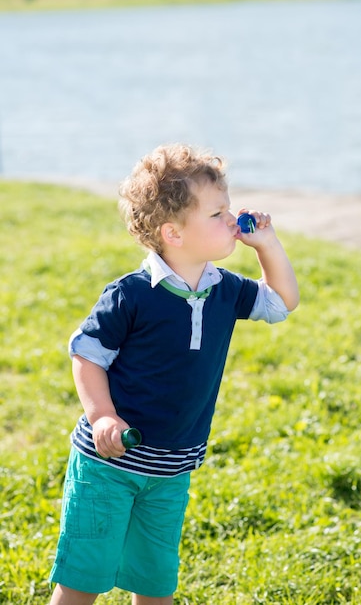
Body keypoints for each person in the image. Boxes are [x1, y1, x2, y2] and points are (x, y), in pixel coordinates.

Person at [49, 144, 299, 605]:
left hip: (170, 471)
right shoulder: (131, 295)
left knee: (155, 583)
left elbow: (282, 302)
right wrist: (102, 414)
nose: (232, 220)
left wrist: (268, 245)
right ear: (173, 233)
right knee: (82, 581)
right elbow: (86, 355)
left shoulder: (226, 290)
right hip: (107, 466)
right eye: (218, 213)